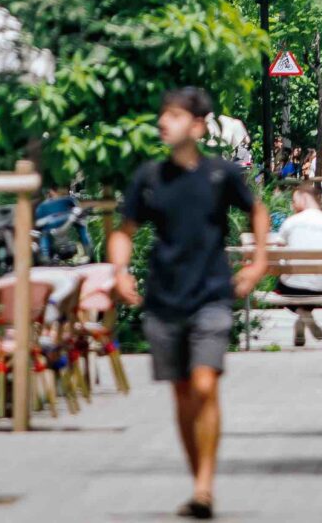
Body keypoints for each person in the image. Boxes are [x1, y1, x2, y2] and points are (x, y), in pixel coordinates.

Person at [107, 87, 271, 521]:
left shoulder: (221, 175)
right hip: (163, 299)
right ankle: (198, 479)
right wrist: (120, 271)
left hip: (212, 294)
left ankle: (204, 486)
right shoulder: (150, 177)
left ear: (197, 126)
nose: (164, 123)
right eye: (163, 116)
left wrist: (258, 262)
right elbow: (124, 230)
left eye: (175, 116)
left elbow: (257, 211)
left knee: (203, 385)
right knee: (182, 395)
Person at [273, 182, 322, 347]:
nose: (292, 205)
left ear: (304, 198)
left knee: (282, 287)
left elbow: (278, 255)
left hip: (292, 286)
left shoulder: (290, 222)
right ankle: (305, 316)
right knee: (315, 282)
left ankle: (303, 316)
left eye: (294, 200)